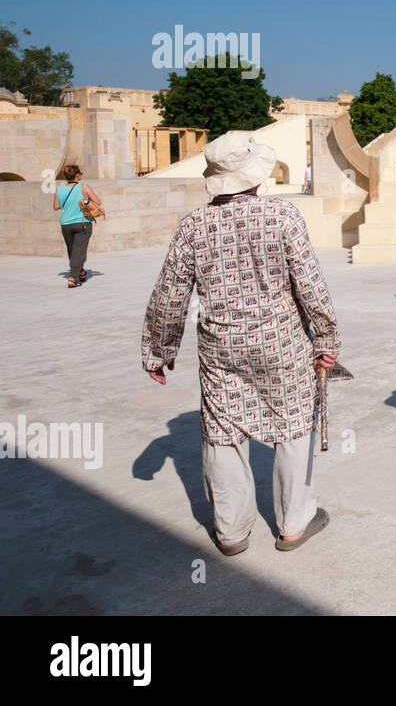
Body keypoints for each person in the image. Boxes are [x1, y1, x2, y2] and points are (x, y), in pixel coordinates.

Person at [140, 132, 341, 556]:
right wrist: (325, 338)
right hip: (281, 343)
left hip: (220, 347)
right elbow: (310, 285)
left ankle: (231, 532)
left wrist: (159, 350)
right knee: (293, 426)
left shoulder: (194, 225)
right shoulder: (282, 217)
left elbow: (169, 294)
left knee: (222, 432)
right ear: (254, 175)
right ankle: (293, 524)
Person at [53, 164, 103, 288]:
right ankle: (72, 278)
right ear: (77, 175)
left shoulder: (59, 189)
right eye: (80, 173)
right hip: (82, 223)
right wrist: (84, 202)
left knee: (73, 250)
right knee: (79, 251)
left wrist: (68, 203)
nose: (81, 175)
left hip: (66, 224)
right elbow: (98, 202)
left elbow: (55, 206)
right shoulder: (84, 187)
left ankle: (80, 272)